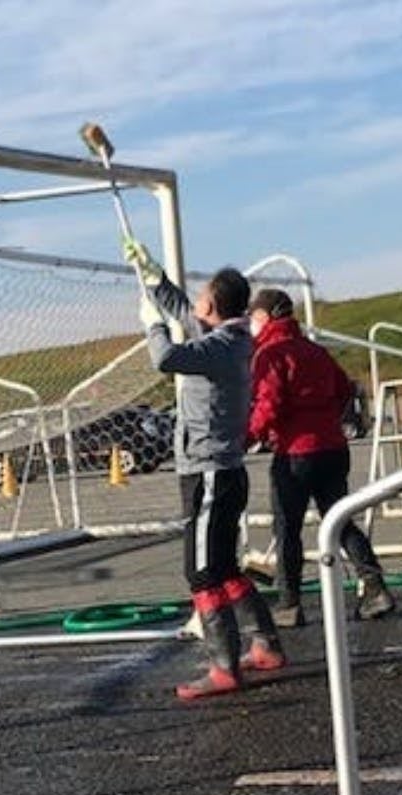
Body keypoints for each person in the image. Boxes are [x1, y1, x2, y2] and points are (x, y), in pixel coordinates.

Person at [125, 239, 284, 701]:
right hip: (218, 470)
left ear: (212, 306)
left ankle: (223, 667)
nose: (194, 303)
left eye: (201, 297)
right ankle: (266, 644)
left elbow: (165, 358)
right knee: (223, 566)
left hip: (210, 473)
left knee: (201, 573)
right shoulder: (230, 338)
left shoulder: (220, 346)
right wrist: (154, 278)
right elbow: (185, 311)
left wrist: (153, 325)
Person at [246, 288, 395, 626]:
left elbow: (269, 403)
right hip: (332, 447)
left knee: (288, 529)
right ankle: (374, 586)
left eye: (253, 317)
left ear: (264, 317)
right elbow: (344, 389)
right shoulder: (316, 351)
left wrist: (248, 436)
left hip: (295, 453)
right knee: (339, 520)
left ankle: (289, 604)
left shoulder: (270, 354)